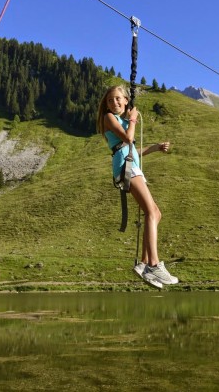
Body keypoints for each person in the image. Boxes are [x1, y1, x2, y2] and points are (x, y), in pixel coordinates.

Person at [96, 85, 178, 289]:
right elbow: (128, 138)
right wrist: (132, 119)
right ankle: (154, 264)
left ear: (125, 101)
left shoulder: (122, 121)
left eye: (117, 99)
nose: (113, 103)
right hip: (126, 168)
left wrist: (156, 148)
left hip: (131, 164)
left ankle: (143, 263)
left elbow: (132, 148)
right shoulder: (109, 118)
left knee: (156, 214)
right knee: (151, 212)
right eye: (110, 100)